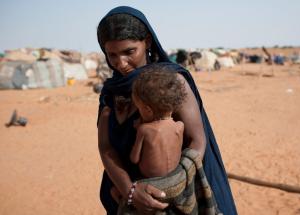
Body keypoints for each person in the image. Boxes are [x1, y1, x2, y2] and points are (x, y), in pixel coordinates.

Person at [97, 6, 238, 215]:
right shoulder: (111, 92)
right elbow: (106, 148)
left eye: (129, 52)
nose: (120, 63)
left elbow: (197, 141)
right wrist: (130, 190)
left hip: (170, 201)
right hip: (126, 198)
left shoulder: (171, 82)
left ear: (147, 42)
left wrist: (168, 186)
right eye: (112, 54)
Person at [108, 65, 186, 204]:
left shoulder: (145, 130)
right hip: (175, 179)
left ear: (148, 110)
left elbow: (134, 159)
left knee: (114, 191)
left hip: (153, 183)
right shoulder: (179, 126)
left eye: (139, 108)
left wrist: (139, 129)